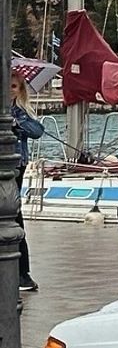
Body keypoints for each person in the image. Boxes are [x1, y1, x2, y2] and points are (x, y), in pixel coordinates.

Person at [11, 74, 44, 294]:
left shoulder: (20, 112)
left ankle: (23, 273)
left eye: (13, 86)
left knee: (14, 216)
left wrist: (16, 122)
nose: (9, 90)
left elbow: (37, 131)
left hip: (15, 167)